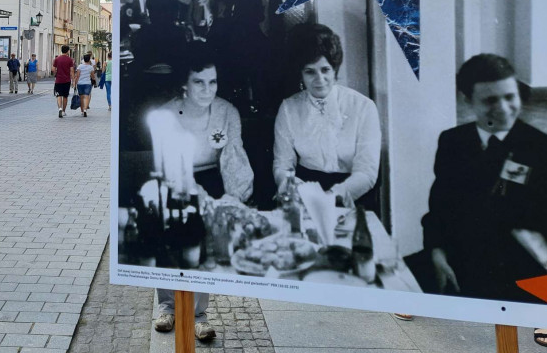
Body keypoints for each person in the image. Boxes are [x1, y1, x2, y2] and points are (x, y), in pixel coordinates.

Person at [421, 54, 547, 302]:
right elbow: (439, 208)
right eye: (490, 100)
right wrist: (436, 254)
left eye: (510, 97)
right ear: (468, 101)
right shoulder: (453, 141)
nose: (504, 109)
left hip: (522, 276)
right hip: (458, 264)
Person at [153, 42, 251, 343]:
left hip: (213, 178)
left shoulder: (227, 111)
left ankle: (198, 314)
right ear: (185, 83)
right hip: (174, 182)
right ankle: (168, 307)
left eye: (212, 82)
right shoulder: (167, 114)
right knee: (173, 244)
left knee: (205, 248)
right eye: (199, 82)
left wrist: (234, 196)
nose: (207, 89)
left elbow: (233, 155)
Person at [272, 23, 381, 209]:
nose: (319, 80)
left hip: (353, 195)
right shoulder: (288, 108)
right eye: (310, 72)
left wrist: (332, 196)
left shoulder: (363, 107)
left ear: (334, 69)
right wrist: (295, 187)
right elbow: (282, 165)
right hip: (304, 197)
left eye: (325, 70)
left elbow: (367, 172)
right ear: (300, 74)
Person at [53, 45, 76, 118]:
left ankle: (59, 108)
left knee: (59, 95)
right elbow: (72, 71)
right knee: (65, 96)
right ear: (68, 51)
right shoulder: (70, 60)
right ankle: (63, 111)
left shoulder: (57, 59)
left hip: (58, 80)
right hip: (67, 80)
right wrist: (73, 81)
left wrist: (55, 74)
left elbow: (53, 69)